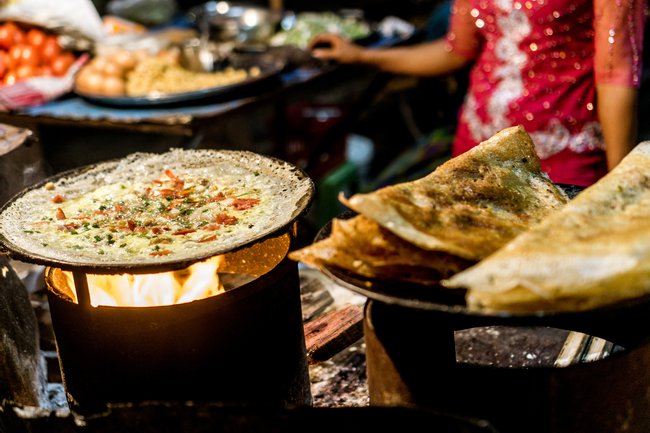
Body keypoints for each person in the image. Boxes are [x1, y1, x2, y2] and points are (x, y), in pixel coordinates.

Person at [309, 0, 648, 186]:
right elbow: (455, 51)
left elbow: (615, 74)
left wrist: (621, 185)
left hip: (559, 161)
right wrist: (362, 56)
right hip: (476, 151)